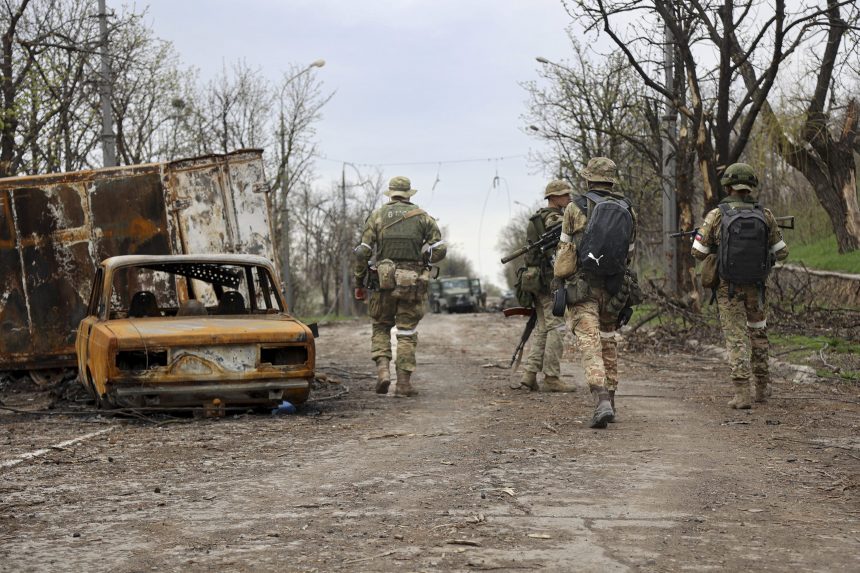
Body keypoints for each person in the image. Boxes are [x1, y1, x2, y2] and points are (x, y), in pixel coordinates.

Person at [691, 162, 788, 409]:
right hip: (757, 287)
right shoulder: (765, 214)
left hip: (728, 288)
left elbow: (698, 252)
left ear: (728, 186)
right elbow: (782, 251)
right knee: (758, 333)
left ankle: (742, 393)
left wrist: (711, 244)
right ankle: (763, 388)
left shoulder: (717, 215)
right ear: (750, 185)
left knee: (736, 337)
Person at [553, 157, 637, 428]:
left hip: (583, 286)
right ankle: (611, 400)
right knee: (608, 339)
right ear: (611, 180)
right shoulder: (627, 209)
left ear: (588, 178)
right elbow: (629, 254)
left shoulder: (574, 207)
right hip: (614, 287)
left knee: (590, 343)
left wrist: (560, 282)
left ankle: (600, 399)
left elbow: (565, 254)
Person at [353, 176, 446, 397]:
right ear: (408, 194)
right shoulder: (423, 217)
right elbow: (440, 248)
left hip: (381, 284)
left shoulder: (377, 216)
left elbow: (363, 252)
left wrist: (359, 282)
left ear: (391, 193)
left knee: (381, 326)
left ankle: (383, 371)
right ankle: (403, 384)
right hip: (411, 285)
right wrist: (426, 260)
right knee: (406, 332)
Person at [516, 180, 576, 392]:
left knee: (543, 328)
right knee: (557, 326)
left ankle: (529, 375)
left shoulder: (536, 218)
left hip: (537, 281)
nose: (569, 197)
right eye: (564, 194)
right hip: (550, 280)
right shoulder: (554, 218)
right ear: (553, 197)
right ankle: (551, 377)